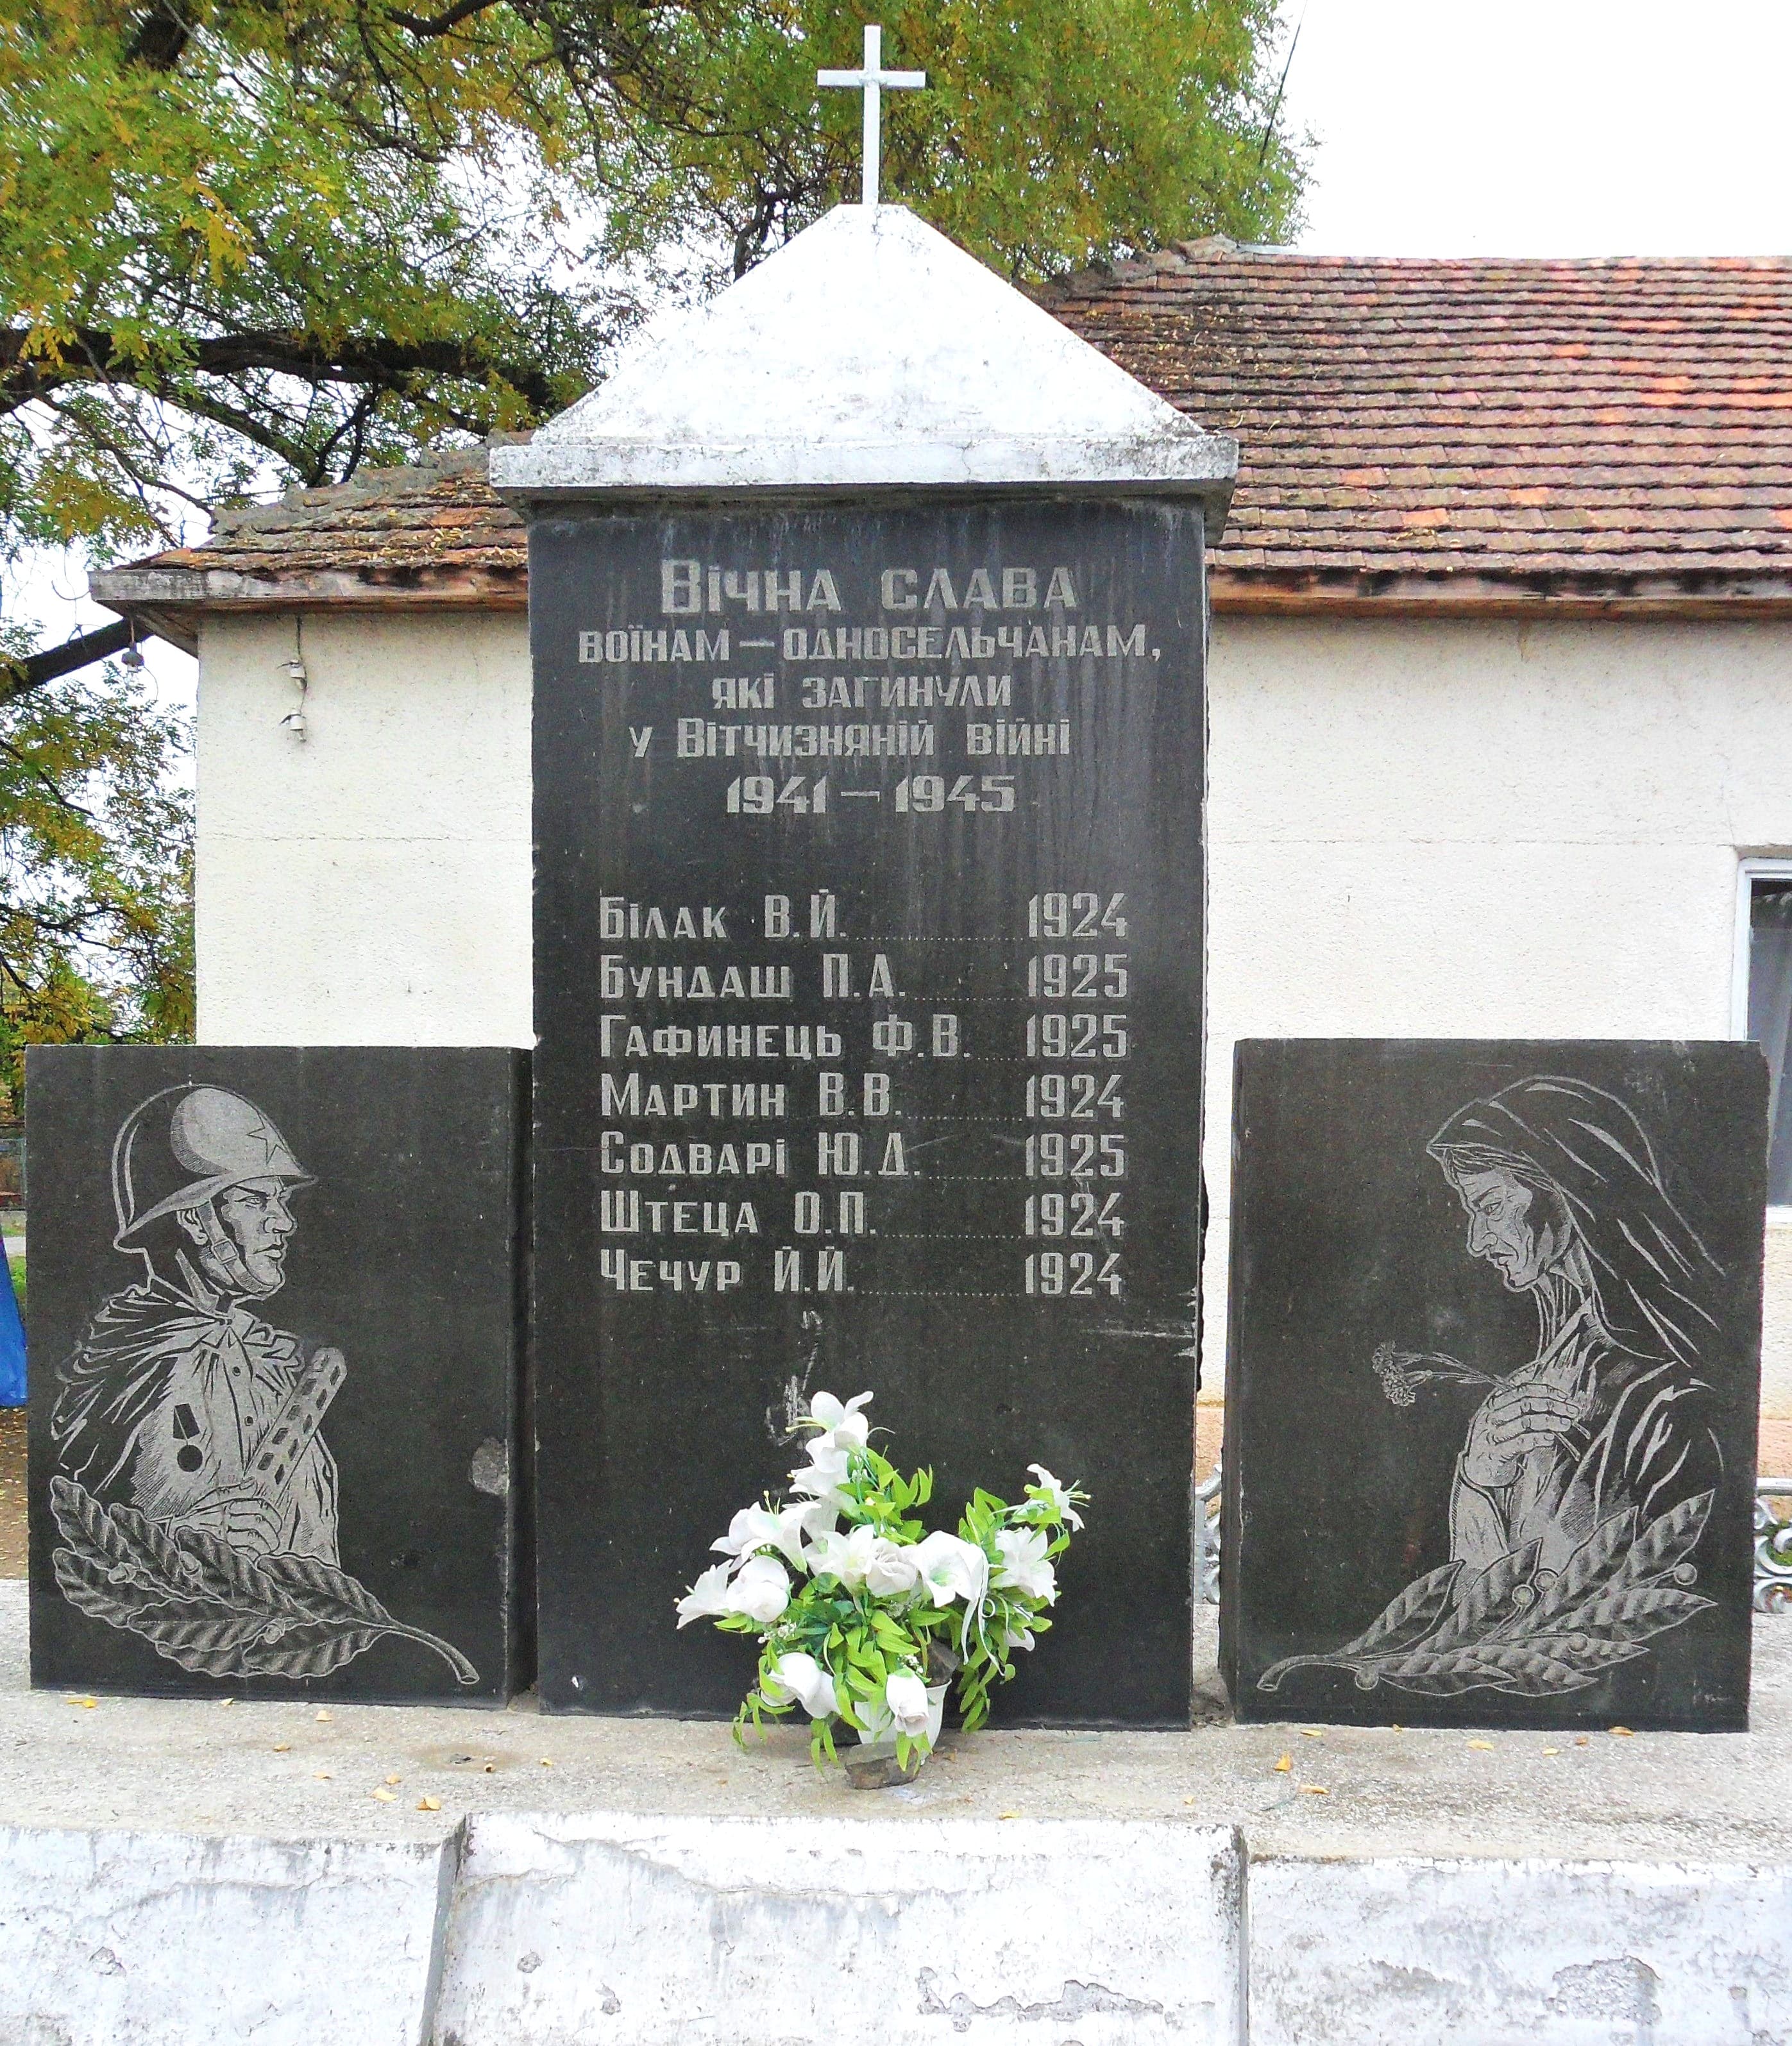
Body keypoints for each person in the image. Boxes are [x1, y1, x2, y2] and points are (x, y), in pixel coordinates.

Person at [1426, 1075, 1722, 1575]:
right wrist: (1482, 1476)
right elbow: (1472, 1615)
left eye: (1492, 1206)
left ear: (1568, 1187)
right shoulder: (1528, 1389)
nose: (1478, 1240)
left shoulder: (1675, 1400)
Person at [51, 1084, 341, 1562]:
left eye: (280, 1201)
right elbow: (85, 1539)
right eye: (256, 1201)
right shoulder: (131, 1367)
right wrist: (182, 1539)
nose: (284, 1223)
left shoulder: (268, 1360)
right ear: (195, 1217)